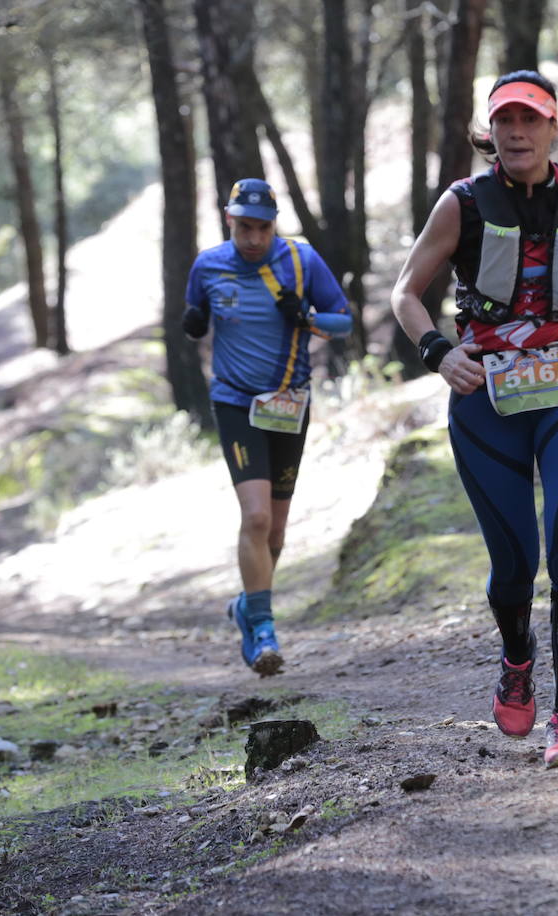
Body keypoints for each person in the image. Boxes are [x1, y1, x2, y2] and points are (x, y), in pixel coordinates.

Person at [390, 71, 558, 768]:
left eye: (530, 120)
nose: (517, 132)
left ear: (552, 127)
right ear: (490, 131)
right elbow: (406, 293)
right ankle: (516, 655)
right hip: (486, 400)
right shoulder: (463, 203)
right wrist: (440, 355)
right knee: (514, 563)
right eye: (505, 120)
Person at [183, 178, 352, 678]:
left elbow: (343, 321)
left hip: (288, 403)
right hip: (235, 402)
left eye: (262, 227)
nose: (253, 238)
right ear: (229, 221)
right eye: (243, 227)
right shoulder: (208, 265)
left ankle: (247, 607)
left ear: (274, 224)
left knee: (275, 530)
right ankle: (263, 630)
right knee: (255, 518)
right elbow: (195, 313)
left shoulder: (301, 262)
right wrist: (193, 321)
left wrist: (308, 316)